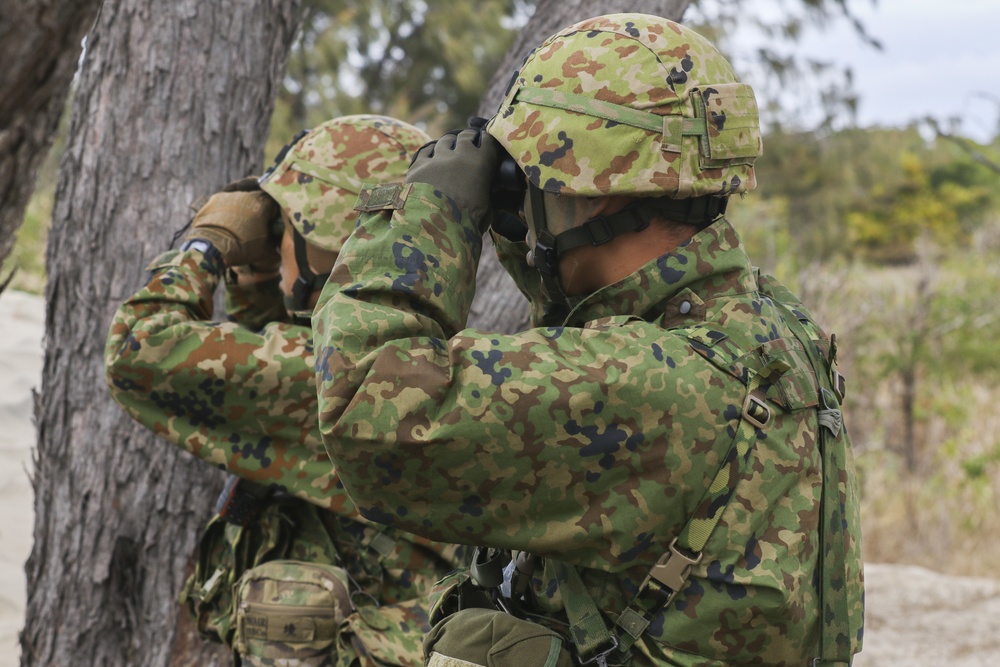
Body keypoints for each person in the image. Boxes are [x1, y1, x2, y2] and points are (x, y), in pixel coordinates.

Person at [312, 15, 864, 667]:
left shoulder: (646, 378)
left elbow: (364, 406)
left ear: (591, 191)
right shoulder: (764, 320)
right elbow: (578, 332)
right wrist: (532, 235)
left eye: (539, 172)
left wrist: (423, 215)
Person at [105, 114, 466, 666]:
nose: (276, 245)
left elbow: (136, 349)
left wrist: (208, 246)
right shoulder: (419, 357)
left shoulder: (327, 379)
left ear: (325, 245)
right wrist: (256, 271)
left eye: (287, 229)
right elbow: (278, 346)